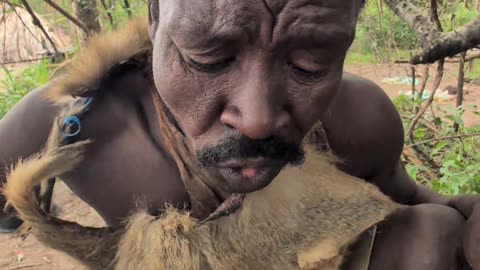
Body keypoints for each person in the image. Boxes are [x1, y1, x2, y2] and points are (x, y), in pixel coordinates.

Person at [0, 1, 478, 269]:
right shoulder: (69, 128)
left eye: (309, 64)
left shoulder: (357, 120)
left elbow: (403, 197)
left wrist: (461, 211)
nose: (257, 119)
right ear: (155, 19)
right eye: (208, 58)